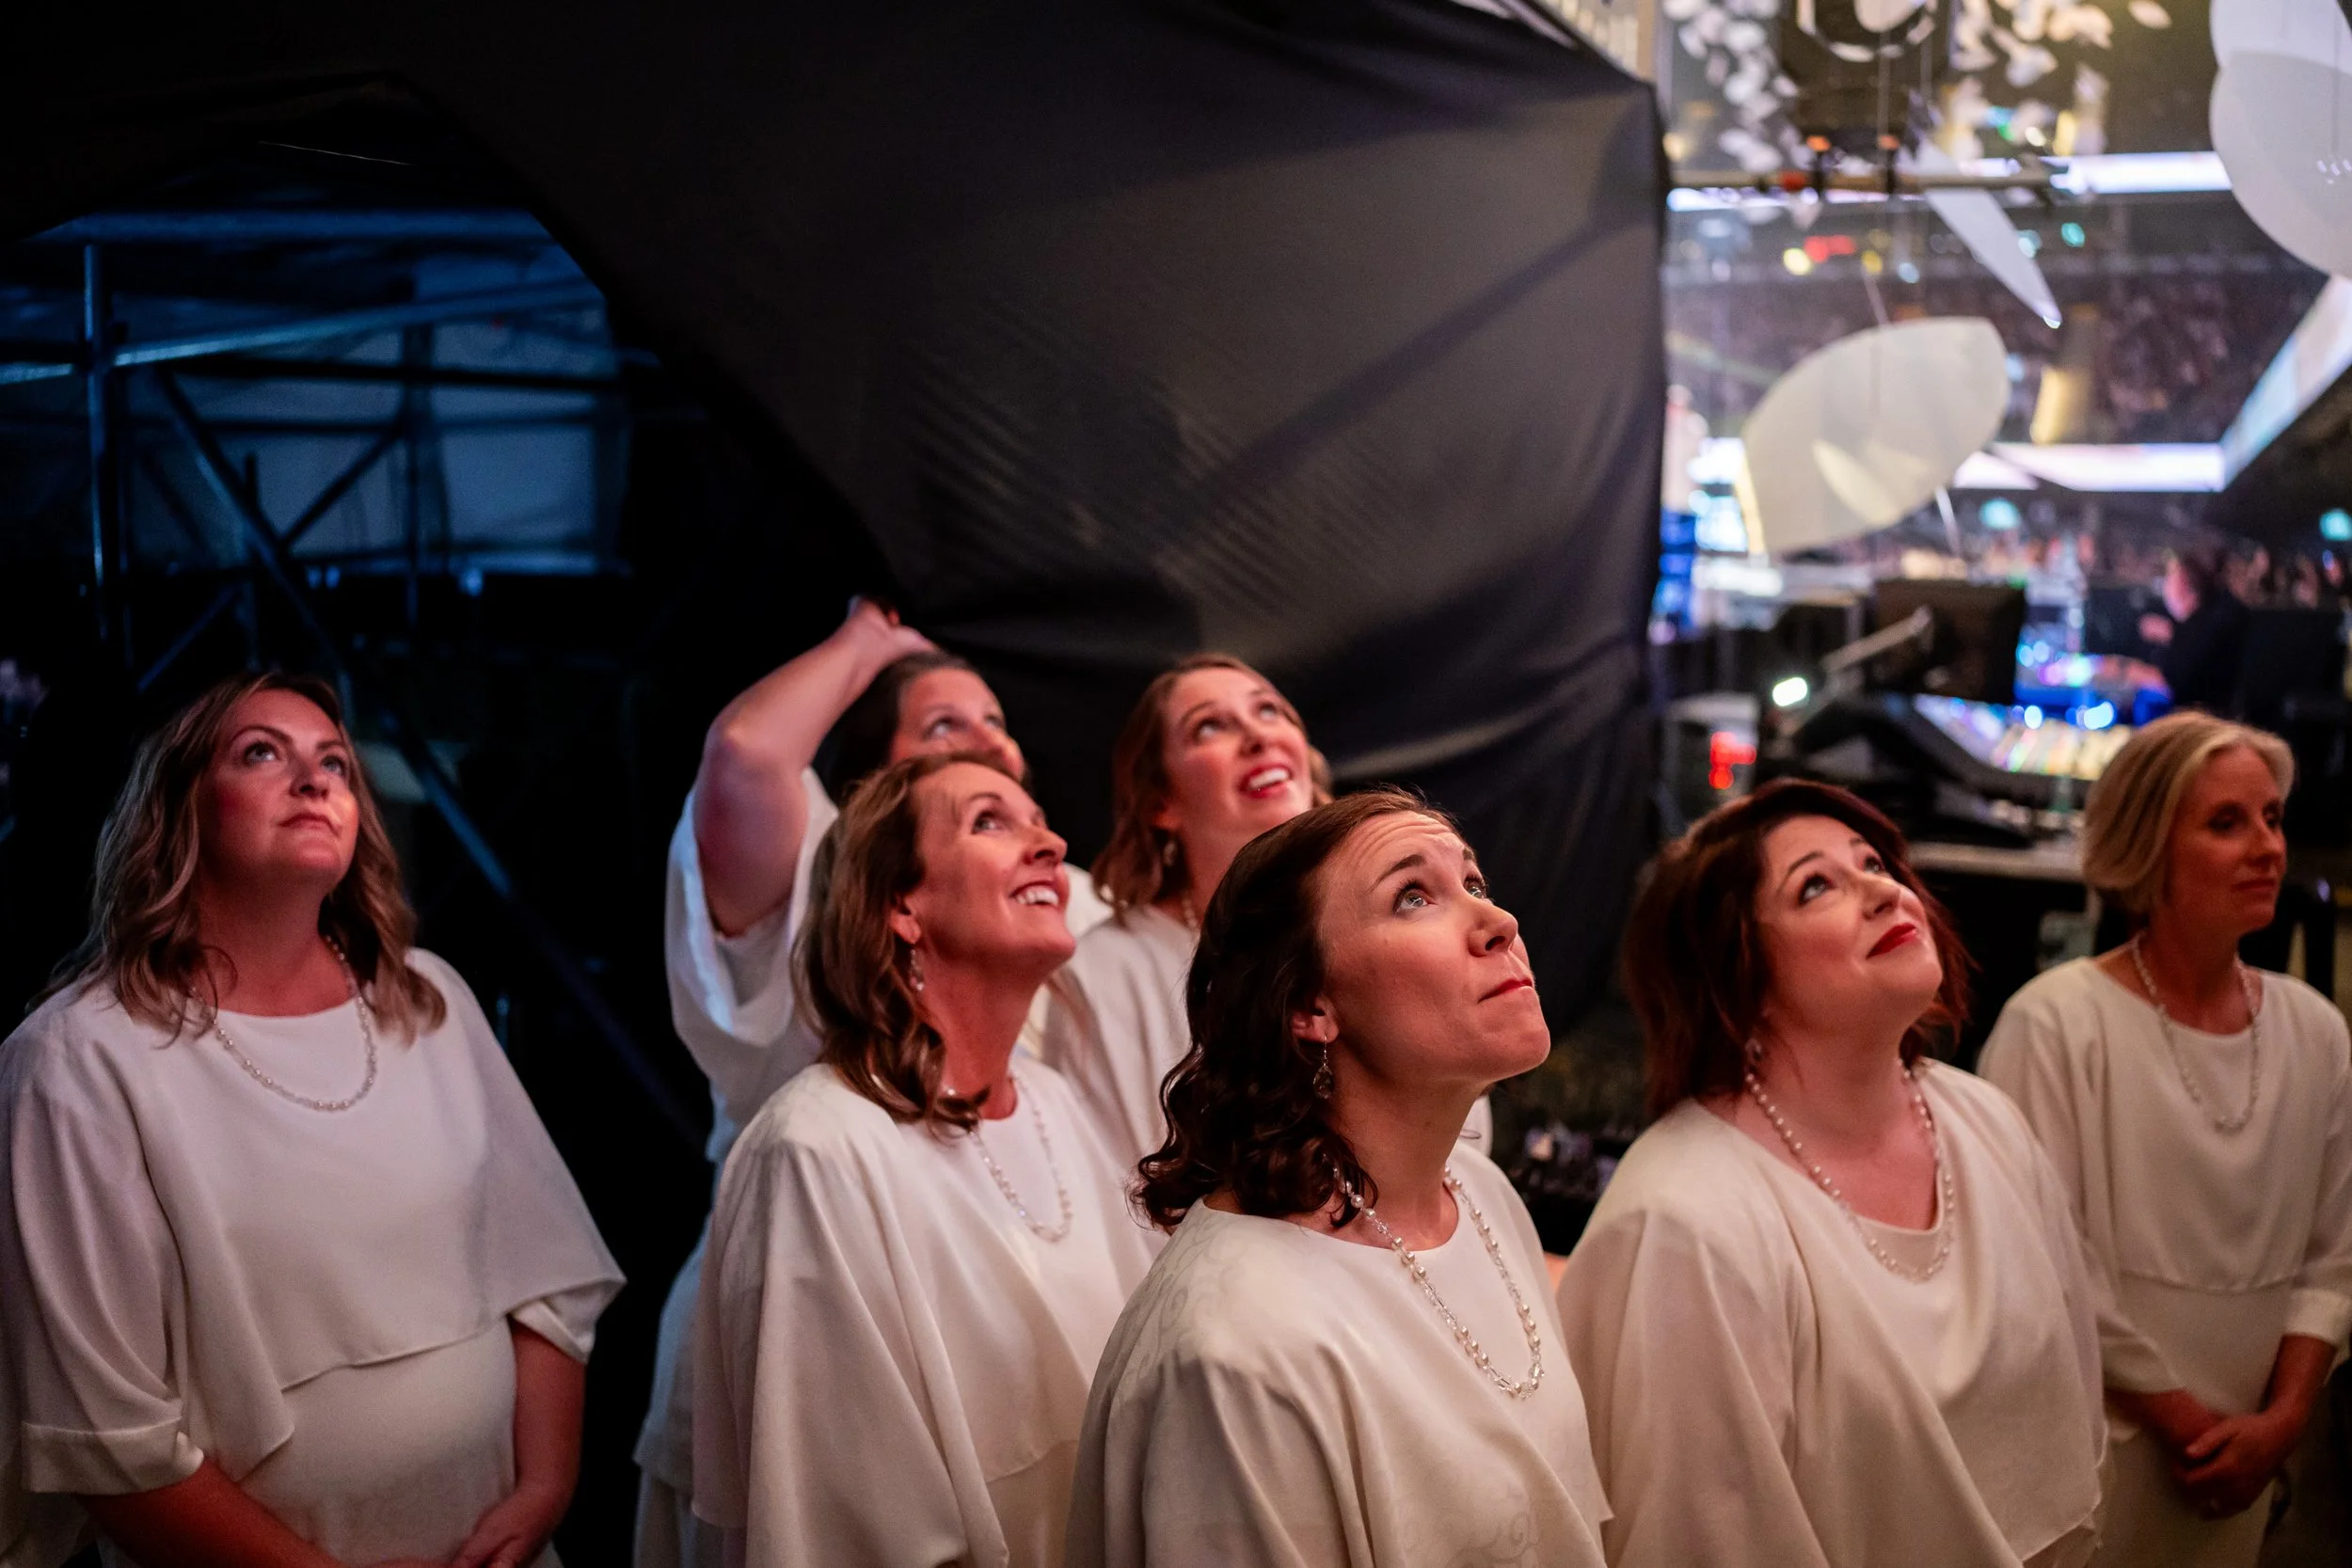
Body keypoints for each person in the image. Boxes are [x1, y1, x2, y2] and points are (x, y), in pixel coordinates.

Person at [0, 672, 621, 1568]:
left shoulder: (428, 999)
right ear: (177, 807)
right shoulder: (78, 1061)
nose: (316, 779)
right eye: (263, 753)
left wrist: (543, 1492)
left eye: (335, 760)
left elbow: (549, 1282)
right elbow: (107, 1436)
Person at [636, 603, 1111, 1568]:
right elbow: (744, 753)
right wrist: (871, 639)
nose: (987, 736)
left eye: (995, 721)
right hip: (813, 1269)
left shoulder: (1058, 1084)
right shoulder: (814, 1135)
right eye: (944, 725)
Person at [1556, 779, 2106, 1568]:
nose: (1882, 890)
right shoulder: (1686, 1219)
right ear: (1735, 973)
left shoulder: (1983, 1119)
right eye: (1817, 885)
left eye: (1876, 864)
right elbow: (1697, 1536)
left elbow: (2077, 1410)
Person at [1067, 789, 1611, 1568]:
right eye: (1413, 896)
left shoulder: (1479, 1193)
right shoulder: (1234, 1348)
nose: (1500, 923)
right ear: (1309, 1006)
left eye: (1476, 884)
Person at [691, 753, 1153, 1568]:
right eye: (991, 821)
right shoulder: (815, 1149)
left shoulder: (1052, 1102)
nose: (1048, 842)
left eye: (1038, 819)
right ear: (900, 904)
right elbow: (841, 1525)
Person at [1979, 713, 2352, 1568]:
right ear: (2149, 849)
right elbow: (2044, 1263)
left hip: (2249, 1447)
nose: (2266, 846)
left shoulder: (2316, 1032)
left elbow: (2333, 1258)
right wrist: (2189, 1424)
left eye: (2272, 818)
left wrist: (2283, 1422)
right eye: (2226, 823)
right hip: (2098, 1440)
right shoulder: (2058, 1024)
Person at [1044, 655, 1491, 1170]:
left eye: (1270, 711)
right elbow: (1126, 1191)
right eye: (1210, 726)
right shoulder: (1108, 971)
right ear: (1161, 802)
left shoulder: (1390, 930)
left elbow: (1461, 1134)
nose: (1259, 737)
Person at [2137, 548, 2248, 715]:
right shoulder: (2201, 626)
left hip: (2201, 724)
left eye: (2170, 580)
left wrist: (2125, 672)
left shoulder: (2208, 627)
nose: (2165, 589)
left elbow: (2174, 681)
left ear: (2185, 585)